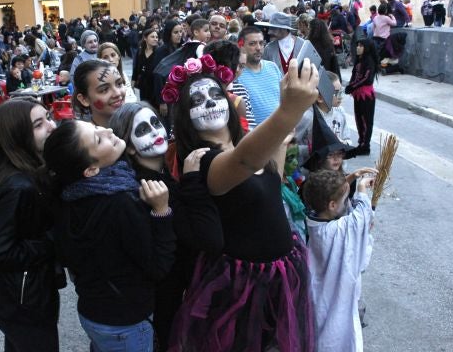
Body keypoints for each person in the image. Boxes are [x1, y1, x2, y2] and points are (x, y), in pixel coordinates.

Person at [165, 54, 319, 352]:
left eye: (215, 93)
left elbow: (270, 173)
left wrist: (285, 128)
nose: (209, 102)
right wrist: (289, 109)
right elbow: (245, 161)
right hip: (243, 288)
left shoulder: (248, 141)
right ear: (185, 116)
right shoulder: (203, 162)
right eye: (197, 100)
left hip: (283, 275)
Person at [42, 120, 175, 351]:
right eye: (98, 138)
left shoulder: (67, 195)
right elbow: (158, 267)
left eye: (96, 127)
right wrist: (161, 211)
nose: (109, 130)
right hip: (125, 323)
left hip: (92, 314)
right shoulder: (119, 202)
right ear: (91, 170)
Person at [109, 102, 218, 350]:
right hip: (164, 301)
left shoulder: (162, 174)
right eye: (143, 130)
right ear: (130, 148)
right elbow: (200, 240)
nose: (155, 132)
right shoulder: (144, 190)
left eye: (156, 123)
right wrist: (190, 182)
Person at [0, 98, 63, 352]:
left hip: (22, 295)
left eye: (47, 117)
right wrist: (50, 244)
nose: (51, 126)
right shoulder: (18, 187)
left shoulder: (32, 169)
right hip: (22, 298)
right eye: (39, 124)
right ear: (18, 136)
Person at [304, 169, 376, 352]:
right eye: (345, 200)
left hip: (318, 295)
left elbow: (353, 218)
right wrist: (360, 189)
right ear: (332, 205)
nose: (348, 203)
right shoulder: (336, 231)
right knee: (333, 337)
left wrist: (348, 179)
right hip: (334, 301)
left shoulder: (314, 219)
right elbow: (360, 218)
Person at [236, 26, 282, 126]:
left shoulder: (272, 67)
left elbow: (282, 99)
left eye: (261, 43)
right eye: (252, 44)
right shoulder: (236, 74)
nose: (258, 48)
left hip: (280, 133)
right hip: (254, 137)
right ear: (241, 46)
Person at [345, 38, 379, 157]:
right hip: (358, 95)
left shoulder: (369, 61)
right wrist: (350, 85)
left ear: (367, 48)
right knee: (358, 120)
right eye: (357, 45)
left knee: (366, 121)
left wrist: (352, 86)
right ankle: (361, 143)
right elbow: (354, 75)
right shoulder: (359, 61)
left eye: (361, 46)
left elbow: (367, 79)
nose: (358, 47)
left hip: (366, 96)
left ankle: (365, 146)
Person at [72, 59, 126, 127]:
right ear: (84, 99)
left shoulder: (138, 123)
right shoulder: (86, 137)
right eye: (104, 90)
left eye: (119, 84)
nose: (117, 93)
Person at [132, 28, 161, 104]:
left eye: (156, 37)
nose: (155, 39)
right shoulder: (140, 51)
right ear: (145, 38)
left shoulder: (159, 52)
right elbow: (136, 68)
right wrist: (133, 82)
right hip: (143, 85)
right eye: (152, 37)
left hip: (154, 86)